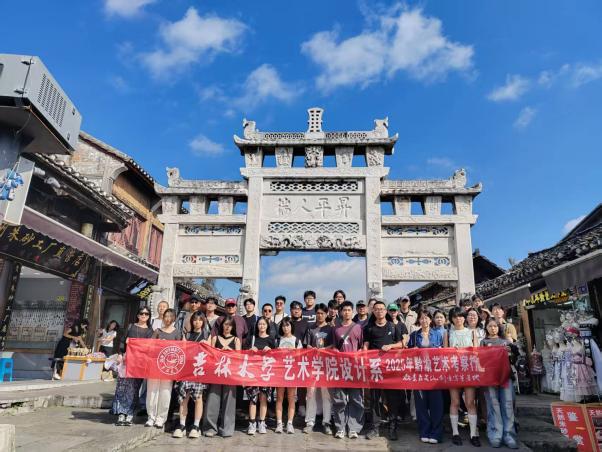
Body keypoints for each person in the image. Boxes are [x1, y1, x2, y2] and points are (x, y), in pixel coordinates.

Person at [363, 301, 407, 440]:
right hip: (375, 368)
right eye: (376, 309)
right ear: (373, 311)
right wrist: (365, 358)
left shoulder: (393, 326)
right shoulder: (369, 328)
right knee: (375, 399)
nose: (379, 311)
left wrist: (391, 346)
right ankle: (375, 428)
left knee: (392, 399)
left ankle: (392, 428)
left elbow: (401, 344)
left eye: (382, 309)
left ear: (386, 311)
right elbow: (366, 346)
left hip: (390, 369)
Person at [481, 318, 519, 449]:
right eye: (490, 326)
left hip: (505, 376)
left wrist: (511, 352)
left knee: (507, 404)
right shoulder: (483, 342)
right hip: (490, 378)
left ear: (499, 328)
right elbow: (480, 360)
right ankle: (495, 434)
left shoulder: (506, 342)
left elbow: (514, 358)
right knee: (493, 405)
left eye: (495, 326)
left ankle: (509, 435)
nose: (493, 328)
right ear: (486, 328)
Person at [408, 309, 445, 444]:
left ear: (431, 320)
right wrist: (412, 350)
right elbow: (408, 353)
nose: (424, 320)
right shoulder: (414, 335)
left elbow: (444, 351)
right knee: (421, 404)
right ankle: (424, 431)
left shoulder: (438, 334)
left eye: (426, 318)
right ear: (419, 320)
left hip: (434, 373)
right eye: (422, 318)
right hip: (419, 373)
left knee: (436, 404)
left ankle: (436, 432)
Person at [446, 306, 480, 447]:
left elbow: (477, 352)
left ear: (464, 318)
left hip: (468, 370)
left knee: (470, 402)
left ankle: (473, 434)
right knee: (455, 402)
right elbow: (445, 353)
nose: (458, 319)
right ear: (451, 319)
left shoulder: (472, 332)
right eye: (455, 316)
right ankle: (455, 433)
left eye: (460, 316)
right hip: (453, 371)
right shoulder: (448, 334)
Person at [112, 308, 153, 426]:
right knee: (122, 387)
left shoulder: (150, 331)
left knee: (135, 388)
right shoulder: (130, 327)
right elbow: (122, 342)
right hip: (126, 360)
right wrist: (120, 354)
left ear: (149, 316)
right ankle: (121, 413)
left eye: (146, 314)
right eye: (141, 313)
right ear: (137, 315)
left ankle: (130, 413)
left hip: (139, 363)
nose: (143, 315)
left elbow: (149, 347)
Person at [173, 312, 209, 439]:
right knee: (184, 397)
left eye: (200, 320)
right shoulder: (187, 335)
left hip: (199, 370)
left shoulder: (207, 335)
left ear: (203, 321)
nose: (197, 322)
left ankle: (196, 425)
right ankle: (182, 425)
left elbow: (210, 352)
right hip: (186, 369)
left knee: (198, 397)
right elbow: (182, 350)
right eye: (195, 320)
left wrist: (206, 345)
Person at [330, 301, 364, 439]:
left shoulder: (358, 328)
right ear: (341, 312)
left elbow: (361, 347)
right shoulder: (336, 329)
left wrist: (357, 355)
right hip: (340, 368)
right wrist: (336, 352)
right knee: (340, 399)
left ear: (352, 311)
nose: (347, 312)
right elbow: (334, 347)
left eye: (349, 310)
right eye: (344, 310)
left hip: (355, 368)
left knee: (356, 399)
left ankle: (354, 428)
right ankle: (340, 427)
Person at [204, 316, 241, 437]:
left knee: (229, 401)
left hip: (230, 374)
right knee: (212, 399)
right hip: (216, 372)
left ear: (233, 327)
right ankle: (210, 428)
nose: (227, 327)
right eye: (225, 324)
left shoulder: (236, 340)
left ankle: (227, 429)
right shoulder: (215, 338)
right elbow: (210, 354)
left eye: (230, 325)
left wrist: (229, 350)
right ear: (222, 326)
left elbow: (239, 357)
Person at [146, 308, 182, 429]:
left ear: (174, 318)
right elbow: (150, 347)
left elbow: (180, 350)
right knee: (152, 391)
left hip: (169, 367)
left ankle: (161, 418)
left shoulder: (177, 332)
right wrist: (158, 344)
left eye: (170, 316)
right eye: (166, 316)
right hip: (155, 365)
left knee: (165, 392)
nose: (168, 319)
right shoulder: (157, 331)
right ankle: (151, 417)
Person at [303, 303, 334, 435]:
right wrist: (312, 349)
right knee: (311, 393)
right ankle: (310, 422)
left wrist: (324, 349)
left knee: (326, 394)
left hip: (326, 365)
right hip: (313, 365)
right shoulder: (310, 328)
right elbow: (307, 345)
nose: (320, 315)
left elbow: (333, 345)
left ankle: (326, 422)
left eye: (322, 313)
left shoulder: (330, 329)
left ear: (326, 314)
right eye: (318, 313)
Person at [245, 317, 276, 435]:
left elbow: (276, 356)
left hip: (265, 373)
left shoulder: (271, 339)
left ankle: (262, 422)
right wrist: (250, 350)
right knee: (253, 398)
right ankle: (252, 423)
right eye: (260, 324)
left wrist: (271, 350)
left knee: (263, 398)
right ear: (257, 325)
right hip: (253, 372)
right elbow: (244, 354)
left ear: (267, 326)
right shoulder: (252, 338)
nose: (261, 326)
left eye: (264, 324)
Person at [275, 317, 302, 434]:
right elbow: (273, 356)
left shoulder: (296, 340)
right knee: (279, 397)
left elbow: (301, 356)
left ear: (291, 326)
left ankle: (290, 423)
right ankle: (279, 423)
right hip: (280, 372)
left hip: (292, 372)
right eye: (283, 326)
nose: (285, 328)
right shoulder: (277, 340)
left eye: (288, 325)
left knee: (291, 398)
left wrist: (295, 351)